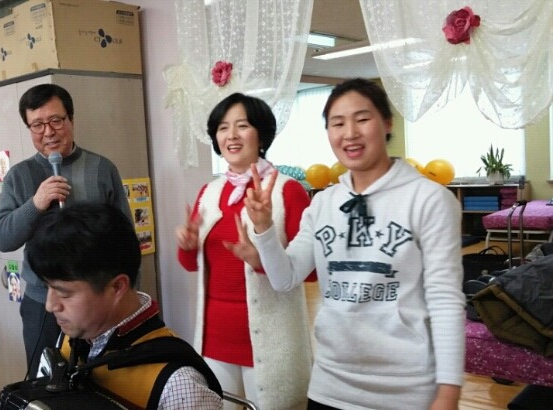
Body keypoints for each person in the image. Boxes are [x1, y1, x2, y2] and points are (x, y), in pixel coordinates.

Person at [235, 78, 466, 409]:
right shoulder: (323, 203)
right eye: (337, 123)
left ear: (387, 123)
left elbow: (445, 300)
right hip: (331, 384)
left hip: (407, 388)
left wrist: (448, 392)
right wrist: (264, 228)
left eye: (362, 119)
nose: (350, 133)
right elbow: (285, 278)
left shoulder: (429, 199)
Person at [176, 92, 314, 409]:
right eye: (223, 128)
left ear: (261, 135)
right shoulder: (209, 192)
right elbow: (193, 265)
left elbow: (308, 272)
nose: (232, 135)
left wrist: (260, 257)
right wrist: (188, 246)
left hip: (270, 342)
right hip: (214, 338)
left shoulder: (287, 191)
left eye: (242, 126)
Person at [0, 83, 132, 379]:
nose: (48, 132)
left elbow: (125, 239)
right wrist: (36, 203)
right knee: (46, 381)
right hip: (43, 303)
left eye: (56, 120)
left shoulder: (102, 169)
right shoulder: (19, 176)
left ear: (71, 119)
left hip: (98, 300)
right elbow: (2, 238)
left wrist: (125, 299)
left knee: (104, 380)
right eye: (37, 125)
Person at [26, 203, 223, 409]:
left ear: (117, 287)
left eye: (64, 293)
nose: (50, 305)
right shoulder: (69, 340)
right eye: (48, 287)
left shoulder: (178, 385)